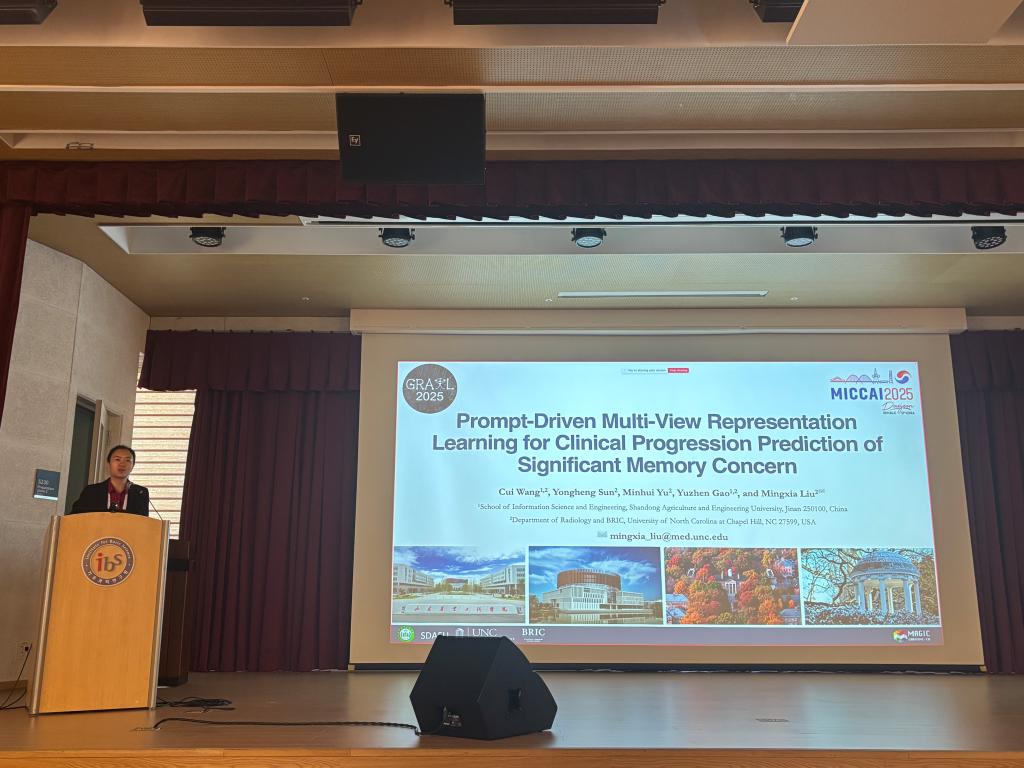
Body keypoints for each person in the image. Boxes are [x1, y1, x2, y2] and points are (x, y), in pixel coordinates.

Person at [69, 444, 150, 516]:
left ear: (133, 466)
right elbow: (75, 517)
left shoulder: (140, 493)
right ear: (108, 464)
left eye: (128, 460)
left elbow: (143, 522)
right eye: (117, 459)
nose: (122, 464)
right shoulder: (91, 491)